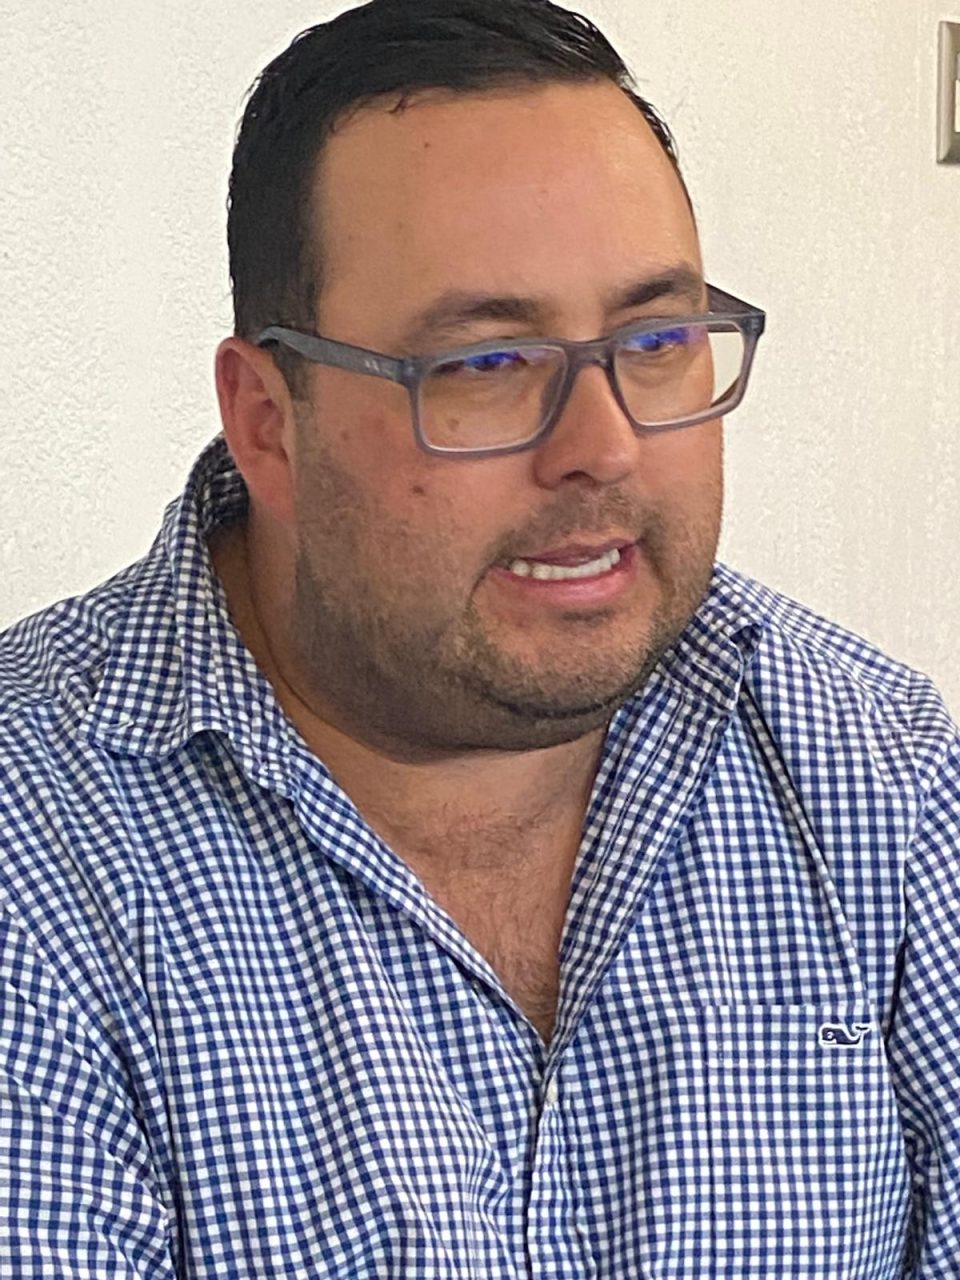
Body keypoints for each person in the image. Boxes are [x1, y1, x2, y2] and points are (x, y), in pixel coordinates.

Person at [1, 0, 957, 1274]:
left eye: (658, 341)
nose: (604, 448)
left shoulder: (880, 778)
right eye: (486, 365)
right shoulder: (38, 844)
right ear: (270, 422)